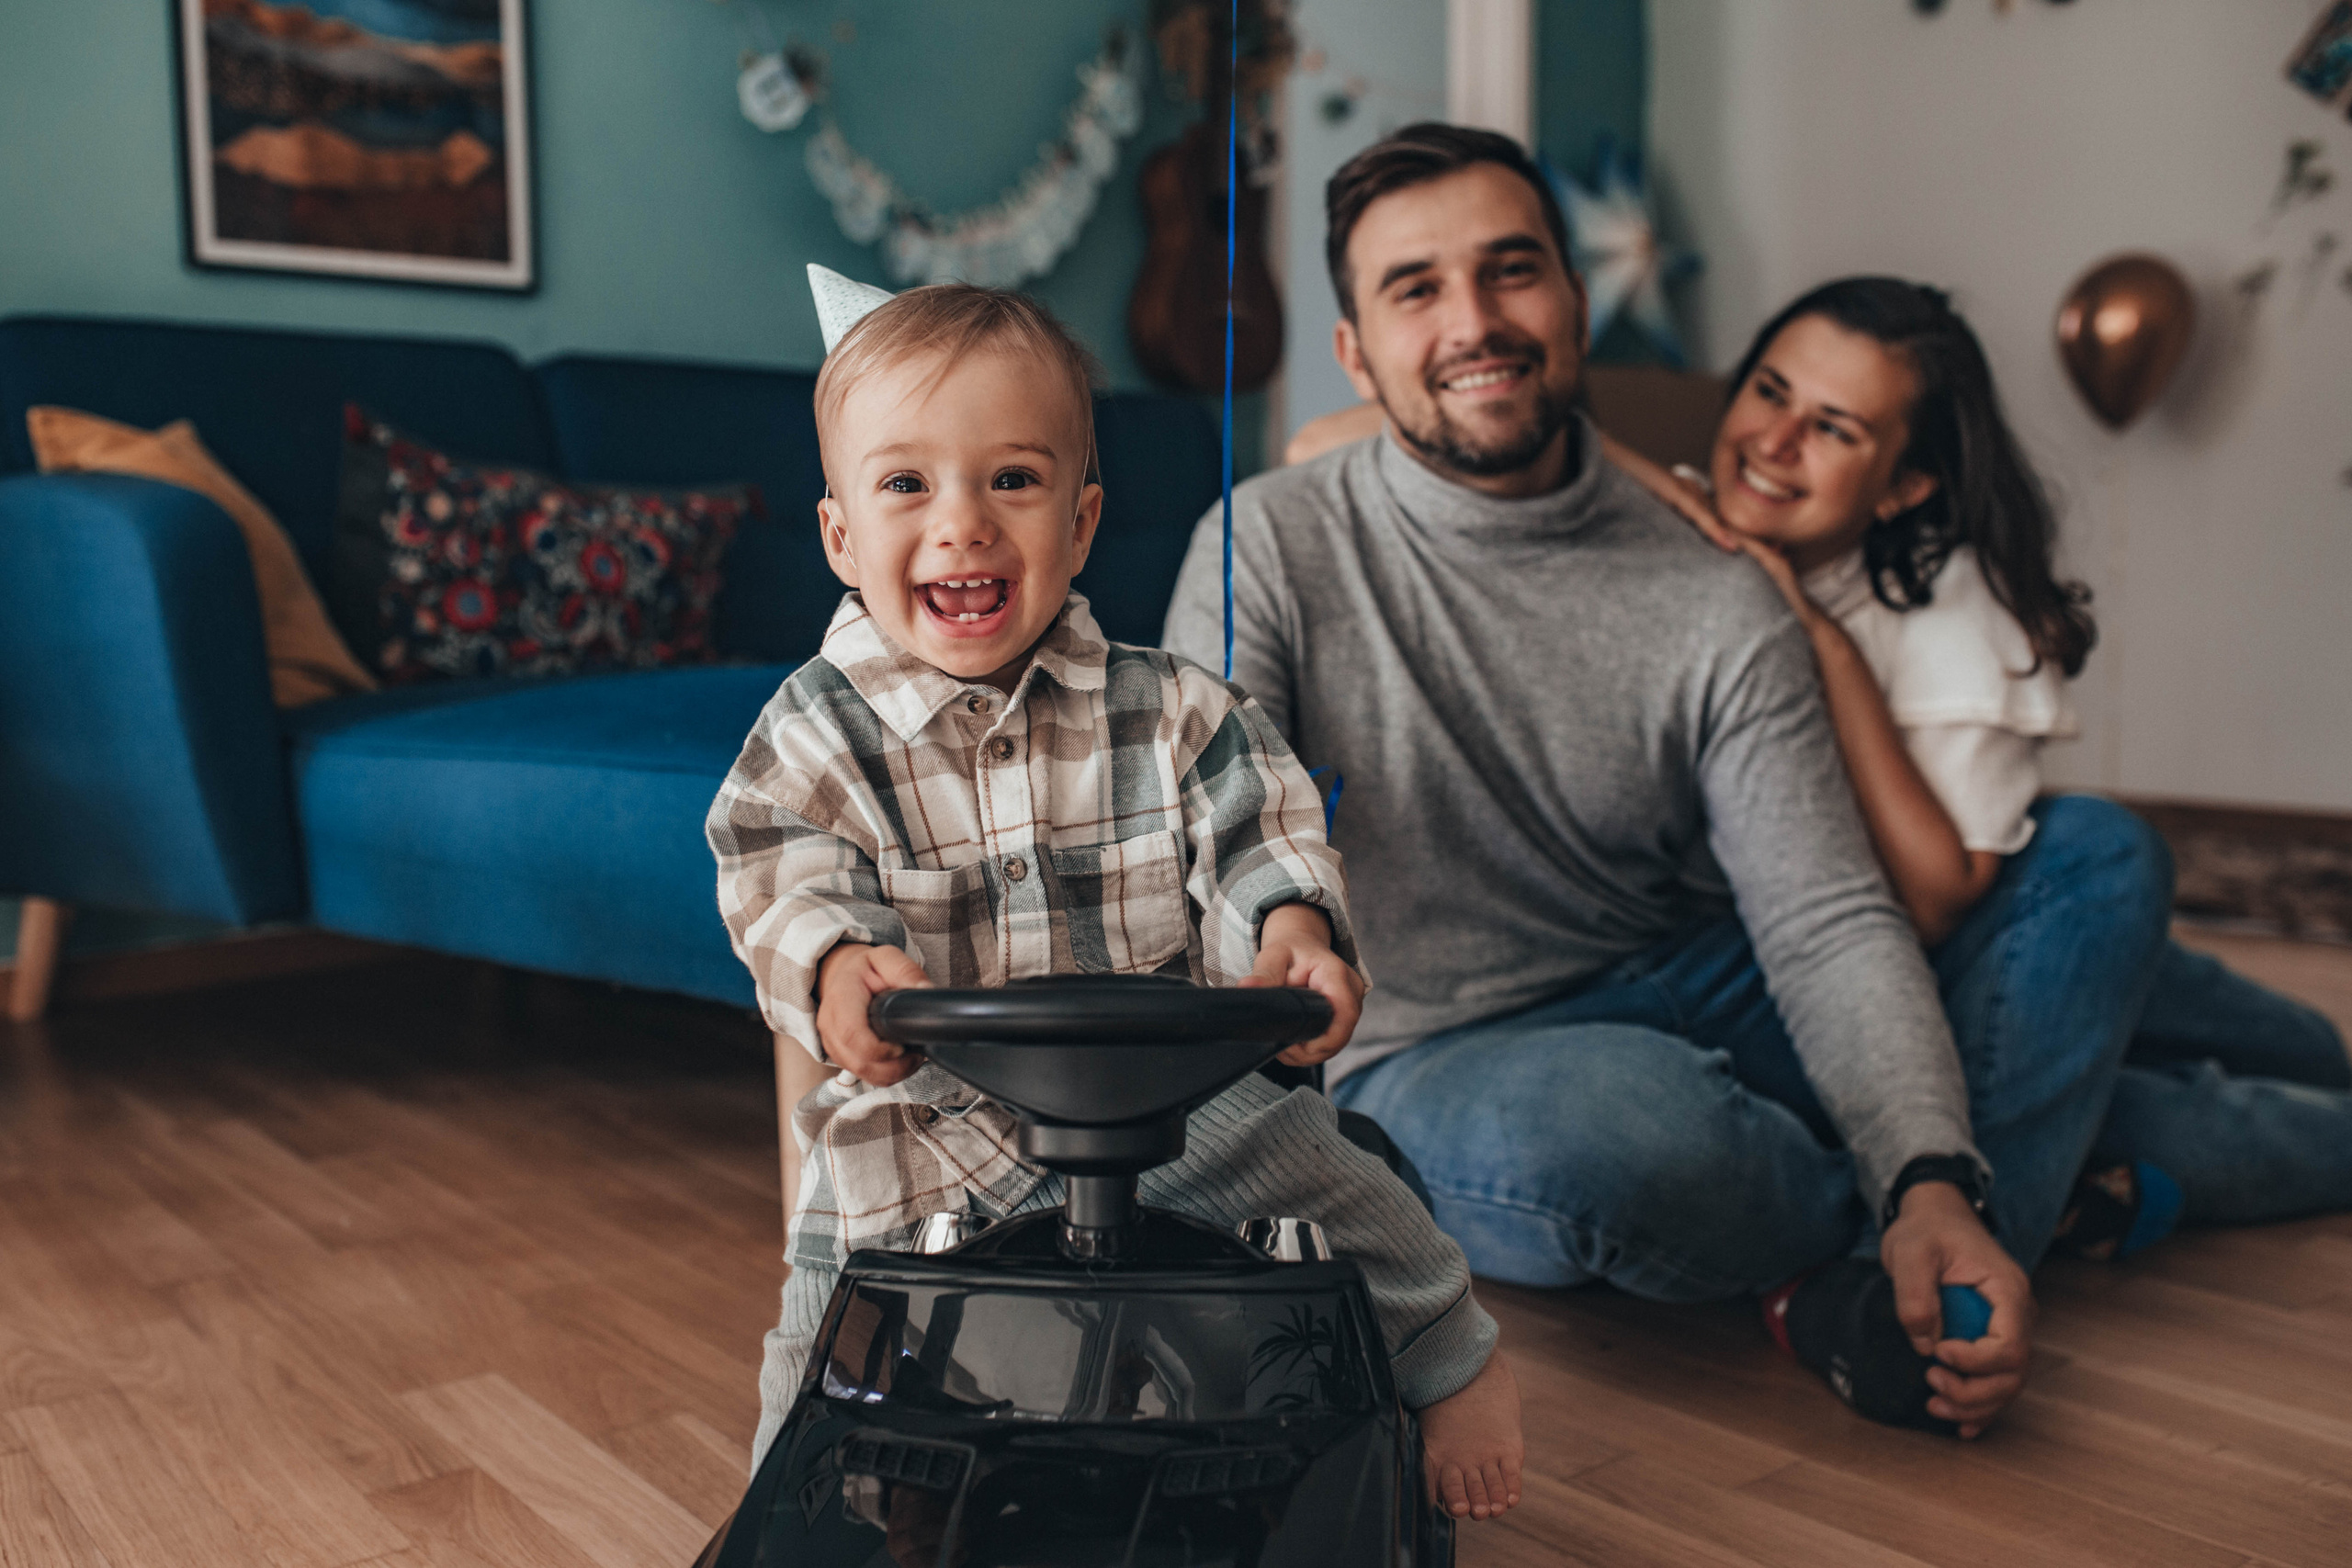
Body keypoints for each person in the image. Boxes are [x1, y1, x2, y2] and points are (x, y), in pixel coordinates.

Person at [1162, 122, 2167, 1438]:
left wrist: (1927, 1172)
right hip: (1445, 1048)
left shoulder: (1716, 585)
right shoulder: (1268, 544)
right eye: (1416, 288)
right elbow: (1211, 828)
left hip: (1702, 976)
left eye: (1513, 269)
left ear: (1575, 304)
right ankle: (2053, 1140)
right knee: (1603, 1142)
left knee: (2091, 854)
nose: (1475, 320)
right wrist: (1278, 929)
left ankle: (1912, 1253)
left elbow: (1821, 918)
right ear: (1355, 350)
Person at [707, 276, 1524, 1520]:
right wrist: (834, 964)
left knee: (1345, 1186)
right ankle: (789, 1507)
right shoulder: (812, 735)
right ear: (839, 538)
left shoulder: (1177, 707)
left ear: (1082, 522)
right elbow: (776, 870)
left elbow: (1265, 833)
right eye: (908, 484)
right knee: (812, 1331)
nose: (964, 524)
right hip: (920, 1137)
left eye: (1013, 481)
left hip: (1178, 1110)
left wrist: (1291, 933)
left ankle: (1453, 1359)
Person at [1601, 276, 2352, 1254]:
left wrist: (1815, 636)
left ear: (1905, 484)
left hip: (1973, 952)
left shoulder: (1945, 607)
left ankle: (1932, 1264)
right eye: (1769, 391)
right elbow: (1539, 451)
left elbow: (1938, 900)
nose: (1775, 442)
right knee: (2113, 1110)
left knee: (2295, 1042)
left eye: (1834, 428)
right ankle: (2047, 1188)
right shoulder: (1676, 523)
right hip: (1806, 989)